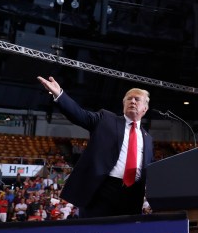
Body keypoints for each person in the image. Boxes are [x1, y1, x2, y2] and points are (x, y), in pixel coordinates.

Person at [37, 76, 154, 218]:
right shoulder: (106, 119)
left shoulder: (148, 139)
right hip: (102, 190)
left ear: (145, 108)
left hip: (133, 195)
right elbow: (80, 115)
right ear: (123, 104)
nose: (132, 101)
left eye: (137, 99)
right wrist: (59, 94)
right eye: (129, 99)